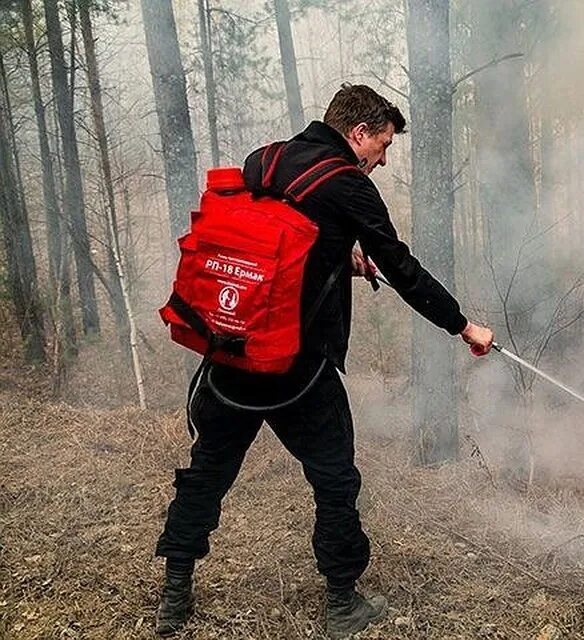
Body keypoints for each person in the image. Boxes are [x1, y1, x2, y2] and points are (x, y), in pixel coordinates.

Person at [154, 84, 494, 638]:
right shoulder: (351, 189)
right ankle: (342, 603)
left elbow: (279, 240)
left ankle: (174, 596)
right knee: (335, 479)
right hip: (298, 369)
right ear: (356, 133)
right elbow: (403, 270)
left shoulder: (263, 160)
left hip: (232, 349)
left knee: (206, 474)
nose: (381, 161)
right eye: (381, 146)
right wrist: (462, 326)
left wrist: (341, 253)